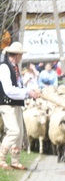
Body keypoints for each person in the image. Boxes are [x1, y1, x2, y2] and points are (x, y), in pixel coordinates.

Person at [0, 42, 40, 170]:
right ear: (16, 55)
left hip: (16, 103)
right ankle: (0, 158)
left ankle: (15, 161)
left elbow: (19, 86)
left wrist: (31, 92)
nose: (21, 57)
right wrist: (27, 92)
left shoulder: (15, 68)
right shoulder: (4, 67)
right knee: (13, 131)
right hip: (6, 103)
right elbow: (9, 90)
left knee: (20, 133)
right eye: (21, 55)